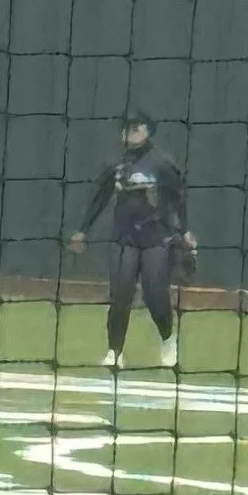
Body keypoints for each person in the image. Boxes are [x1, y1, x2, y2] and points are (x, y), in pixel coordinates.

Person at [69, 119, 197, 367]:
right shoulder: (116, 163)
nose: (131, 131)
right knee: (120, 295)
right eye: (127, 127)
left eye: (137, 127)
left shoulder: (162, 162)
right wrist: (83, 230)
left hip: (155, 239)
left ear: (148, 131)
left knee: (155, 295)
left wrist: (185, 230)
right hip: (123, 238)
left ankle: (167, 339)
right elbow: (100, 198)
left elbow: (178, 198)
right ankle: (114, 352)